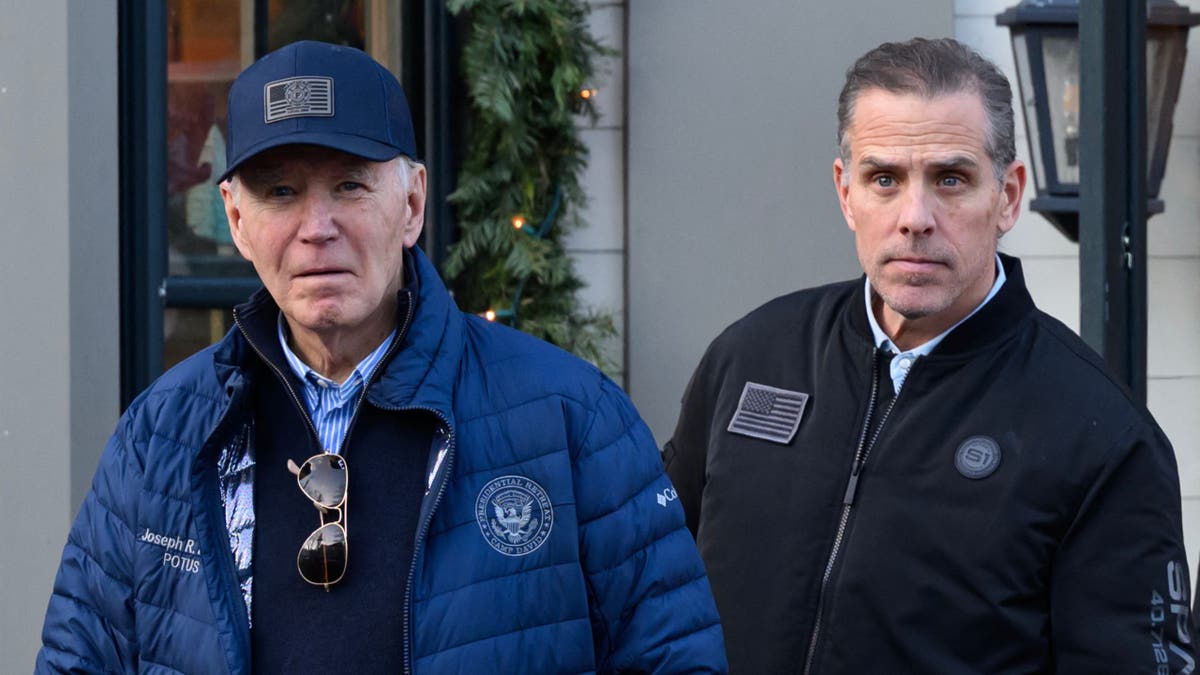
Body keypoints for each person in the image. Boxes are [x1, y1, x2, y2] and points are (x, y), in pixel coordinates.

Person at [38, 40, 726, 674]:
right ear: (236, 219)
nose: (317, 227)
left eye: (350, 185)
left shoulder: (574, 419)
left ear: (413, 203)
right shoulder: (161, 435)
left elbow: (674, 656)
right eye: (281, 191)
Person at [665, 37, 1194, 673]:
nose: (915, 216)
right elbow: (651, 587)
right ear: (845, 191)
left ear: (1008, 196)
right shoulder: (752, 357)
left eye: (950, 178)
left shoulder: (1101, 436)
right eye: (884, 178)